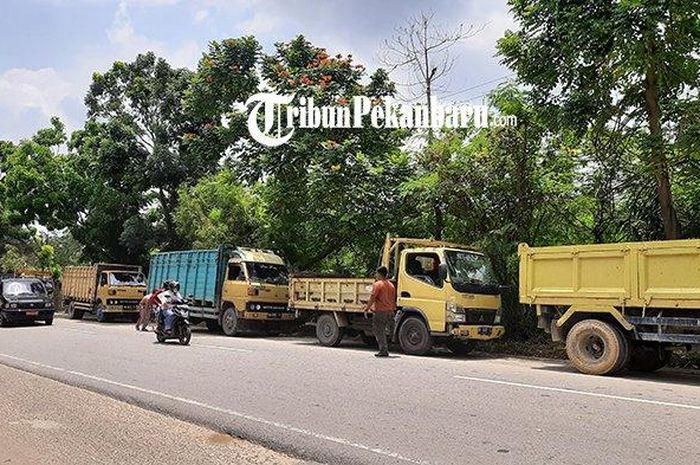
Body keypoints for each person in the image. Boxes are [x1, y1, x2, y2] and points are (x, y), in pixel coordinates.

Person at [364, 266, 397, 357]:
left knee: (379, 330)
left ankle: (383, 350)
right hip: (390, 311)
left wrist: (367, 308)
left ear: (379, 274)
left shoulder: (378, 284)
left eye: (376, 273)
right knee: (388, 330)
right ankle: (389, 344)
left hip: (380, 311)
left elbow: (373, 297)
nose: (376, 275)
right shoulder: (391, 285)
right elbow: (393, 299)